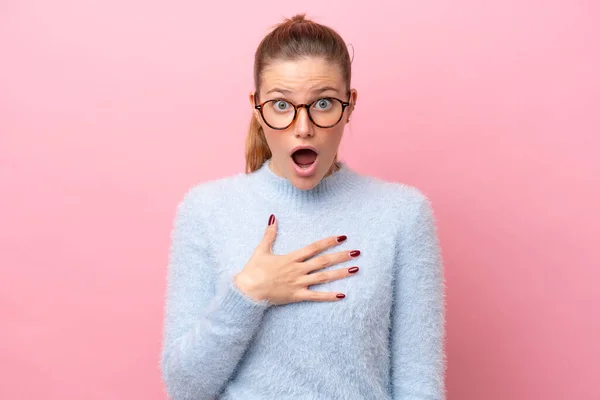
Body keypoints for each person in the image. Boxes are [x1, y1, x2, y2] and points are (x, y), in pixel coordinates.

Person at [159, 13, 446, 400]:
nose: (303, 127)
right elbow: (184, 388)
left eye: (323, 103)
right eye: (281, 105)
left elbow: (419, 386)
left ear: (349, 106)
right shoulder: (205, 210)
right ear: (257, 109)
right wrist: (249, 292)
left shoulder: (403, 214)